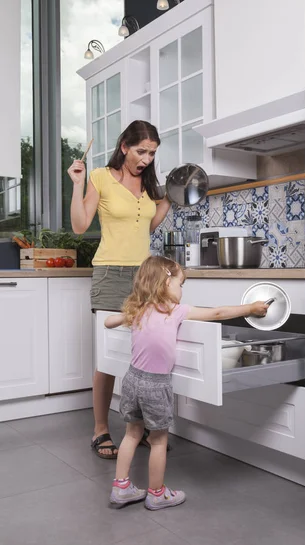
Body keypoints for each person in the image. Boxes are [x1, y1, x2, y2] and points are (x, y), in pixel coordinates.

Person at [105, 255, 270, 510]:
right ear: (165, 282)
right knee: (158, 440)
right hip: (156, 385)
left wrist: (125, 315)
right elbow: (218, 312)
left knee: (132, 433)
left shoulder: (139, 308)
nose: (182, 290)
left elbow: (107, 321)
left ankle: (121, 487)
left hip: (132, 380)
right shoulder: (175, 310)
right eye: (181, 284)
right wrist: (251, 308)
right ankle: (157, 493)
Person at [68, 121, 171, 459]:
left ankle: (136, 428)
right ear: (124, 146)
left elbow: (148, 226)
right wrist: (78, 183)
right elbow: (81, 226)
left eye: (152, 153)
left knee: (141, 354)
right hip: (111, 272)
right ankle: (100, 429)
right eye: (142, 151)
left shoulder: (149, 183)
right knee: (108, 354)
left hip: (145, 276)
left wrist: (169, 201)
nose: (146, 158)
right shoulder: (99, 176)